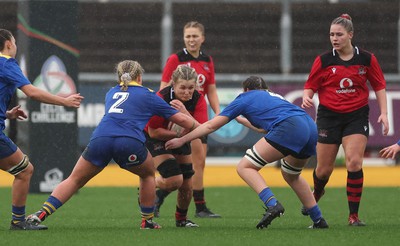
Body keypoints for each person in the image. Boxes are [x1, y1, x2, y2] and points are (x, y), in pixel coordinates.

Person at [26, 60, 198, 230]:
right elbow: (183, 121)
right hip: (129, 142)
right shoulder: (149, 95)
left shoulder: (111, 92)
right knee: (147, 175)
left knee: (74, 179)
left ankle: (40, 214)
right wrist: (194, 123)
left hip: (100, 139)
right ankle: (147, 221)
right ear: (139, 77)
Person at [166, 76, 329, 229]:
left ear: (245, 90)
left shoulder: (244, 98)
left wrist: (182, 139)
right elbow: (264, 128)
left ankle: (272, 204)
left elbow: (210, 126)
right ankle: (318, 219)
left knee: (245, 167)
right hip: (309, 127)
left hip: (289, 127)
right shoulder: (275, 97)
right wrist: (242, 120)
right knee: (292, 175)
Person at [301, 14, 389, 226]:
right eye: (331, 34)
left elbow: (379, 86)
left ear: (350, 35)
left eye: (339, 34)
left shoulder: (367, 59)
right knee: (324, 169)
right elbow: (310, 85)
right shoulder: (323, 60)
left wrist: (384, 113)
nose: (334, 38)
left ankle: (353, 216)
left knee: (354, 162)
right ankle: (318, 192)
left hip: (356, 116)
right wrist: (307, 96)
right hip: (329, 117)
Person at [0, 29, 83, 230]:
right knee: (24, 171)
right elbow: (32, 92)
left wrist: (7, 114)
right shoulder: (6, 63)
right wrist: (64, 101)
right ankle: (18, 222)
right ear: (9, 44)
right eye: (14, 42)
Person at [159, 21, 221, 218]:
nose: (191, 40)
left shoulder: (207, 60)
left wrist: (218, 113)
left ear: (202, 38)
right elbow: (164, 88)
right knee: (194, 161)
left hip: (198, 112)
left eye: (195, 36)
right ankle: (198, 206)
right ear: (183, 38)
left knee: (200, 160)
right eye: (188, 36)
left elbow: (210, 88)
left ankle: (162, 197)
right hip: (180, 113)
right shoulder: (175, 59)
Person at [145, 64, 206, 227]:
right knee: (174, 180)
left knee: (187, 184)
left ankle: (181, 220)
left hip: (183, 137)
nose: (187, 92)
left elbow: (203, 129)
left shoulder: (198, 98)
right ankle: (150, 182)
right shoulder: (161, 98)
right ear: (173, 84)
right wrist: (179, 134)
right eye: (182, 88)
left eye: (191, 88)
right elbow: (153, 132)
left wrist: (185, 114)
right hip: (156, 137)